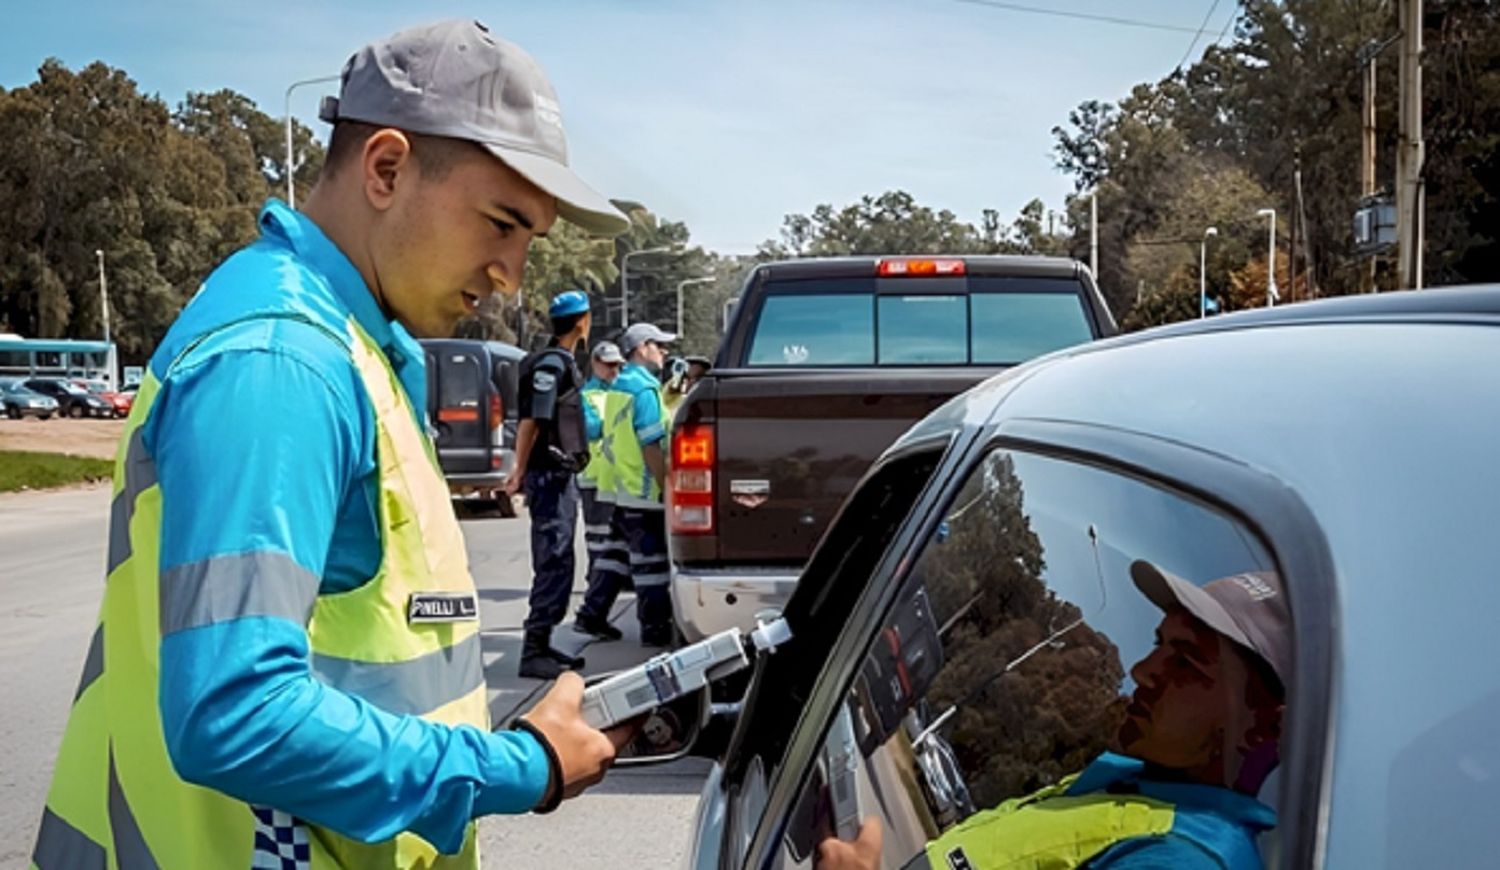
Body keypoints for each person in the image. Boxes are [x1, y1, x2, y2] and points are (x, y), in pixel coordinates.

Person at [34, 20, 632, 869]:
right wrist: (517, 767)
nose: (511, 274)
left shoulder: (353, 343)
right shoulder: (283, 360)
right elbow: (236, 714)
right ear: (385, 169)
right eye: (501, 224)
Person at [819, 561, 1290, 870]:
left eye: (1186, 663)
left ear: (1265, 728)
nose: (1143, 671)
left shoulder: (1184, 860)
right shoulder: (1131, 788)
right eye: (1157, 645)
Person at [505, 290, 596, 679]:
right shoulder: (552, 365)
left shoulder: (557, 361)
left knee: (560, 560)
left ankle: (544, 643)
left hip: (558, 475)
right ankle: (534, 649)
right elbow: (533, 419)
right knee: (553, 560)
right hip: (549, 476)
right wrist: (519, 468)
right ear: (581, 322)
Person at [602, 322, 679, 646]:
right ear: (641, 348)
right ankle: (655, 630)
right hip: (646, 493)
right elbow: (650, 445)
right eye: (658, 345)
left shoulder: (620, 386)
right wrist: (667, 488)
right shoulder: (645, 391)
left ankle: (591, 616)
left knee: (617, 559)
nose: (664, 352)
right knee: (652, 571)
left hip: (625, 488)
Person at [572, 340, 630, 641]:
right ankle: (593, 608)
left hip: (617, 480)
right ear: (594, 363)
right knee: (599, 546)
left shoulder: (619, 391)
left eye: (618, 364)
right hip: (595, 480)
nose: (614, 369)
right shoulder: (587, 395)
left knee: (611, 546)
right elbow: (592, 429)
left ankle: (597, 606)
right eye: (609, 364)